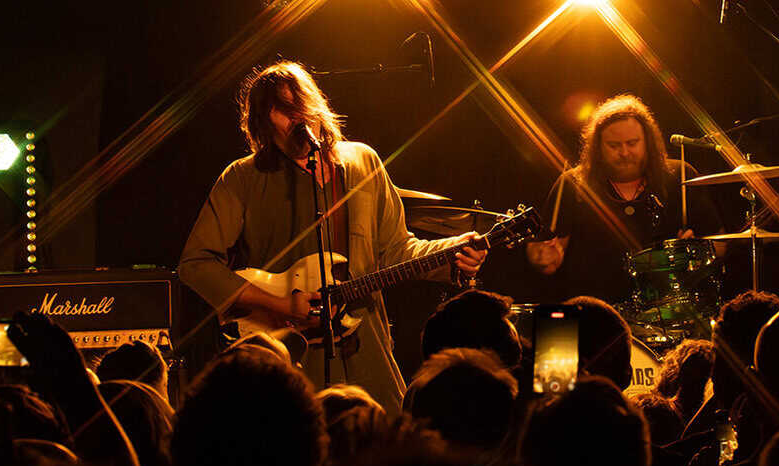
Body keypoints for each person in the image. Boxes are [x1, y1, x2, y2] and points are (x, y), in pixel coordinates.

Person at [177, 61, 486, 410]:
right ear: (263, 122)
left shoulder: (363, 162)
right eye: (282, 109)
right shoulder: (242, 177)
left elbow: (397, 249)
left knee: (381, 431)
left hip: (365, 349)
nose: (296, 117)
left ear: (316, 105)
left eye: (300, 104)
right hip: (287, 353)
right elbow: (196, 264)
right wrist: (280, 305)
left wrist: (453, 252)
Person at [523, 94, 723, 317]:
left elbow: (721, 242)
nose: (625, 152)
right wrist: (542, 258)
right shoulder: (573, 184)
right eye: (614, 145)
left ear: (647, 142)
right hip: (594, 316)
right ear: (598, 148)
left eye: (632, 143)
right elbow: (546, 258)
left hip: (669, 314)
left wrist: (696, 252)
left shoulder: (679, 175)